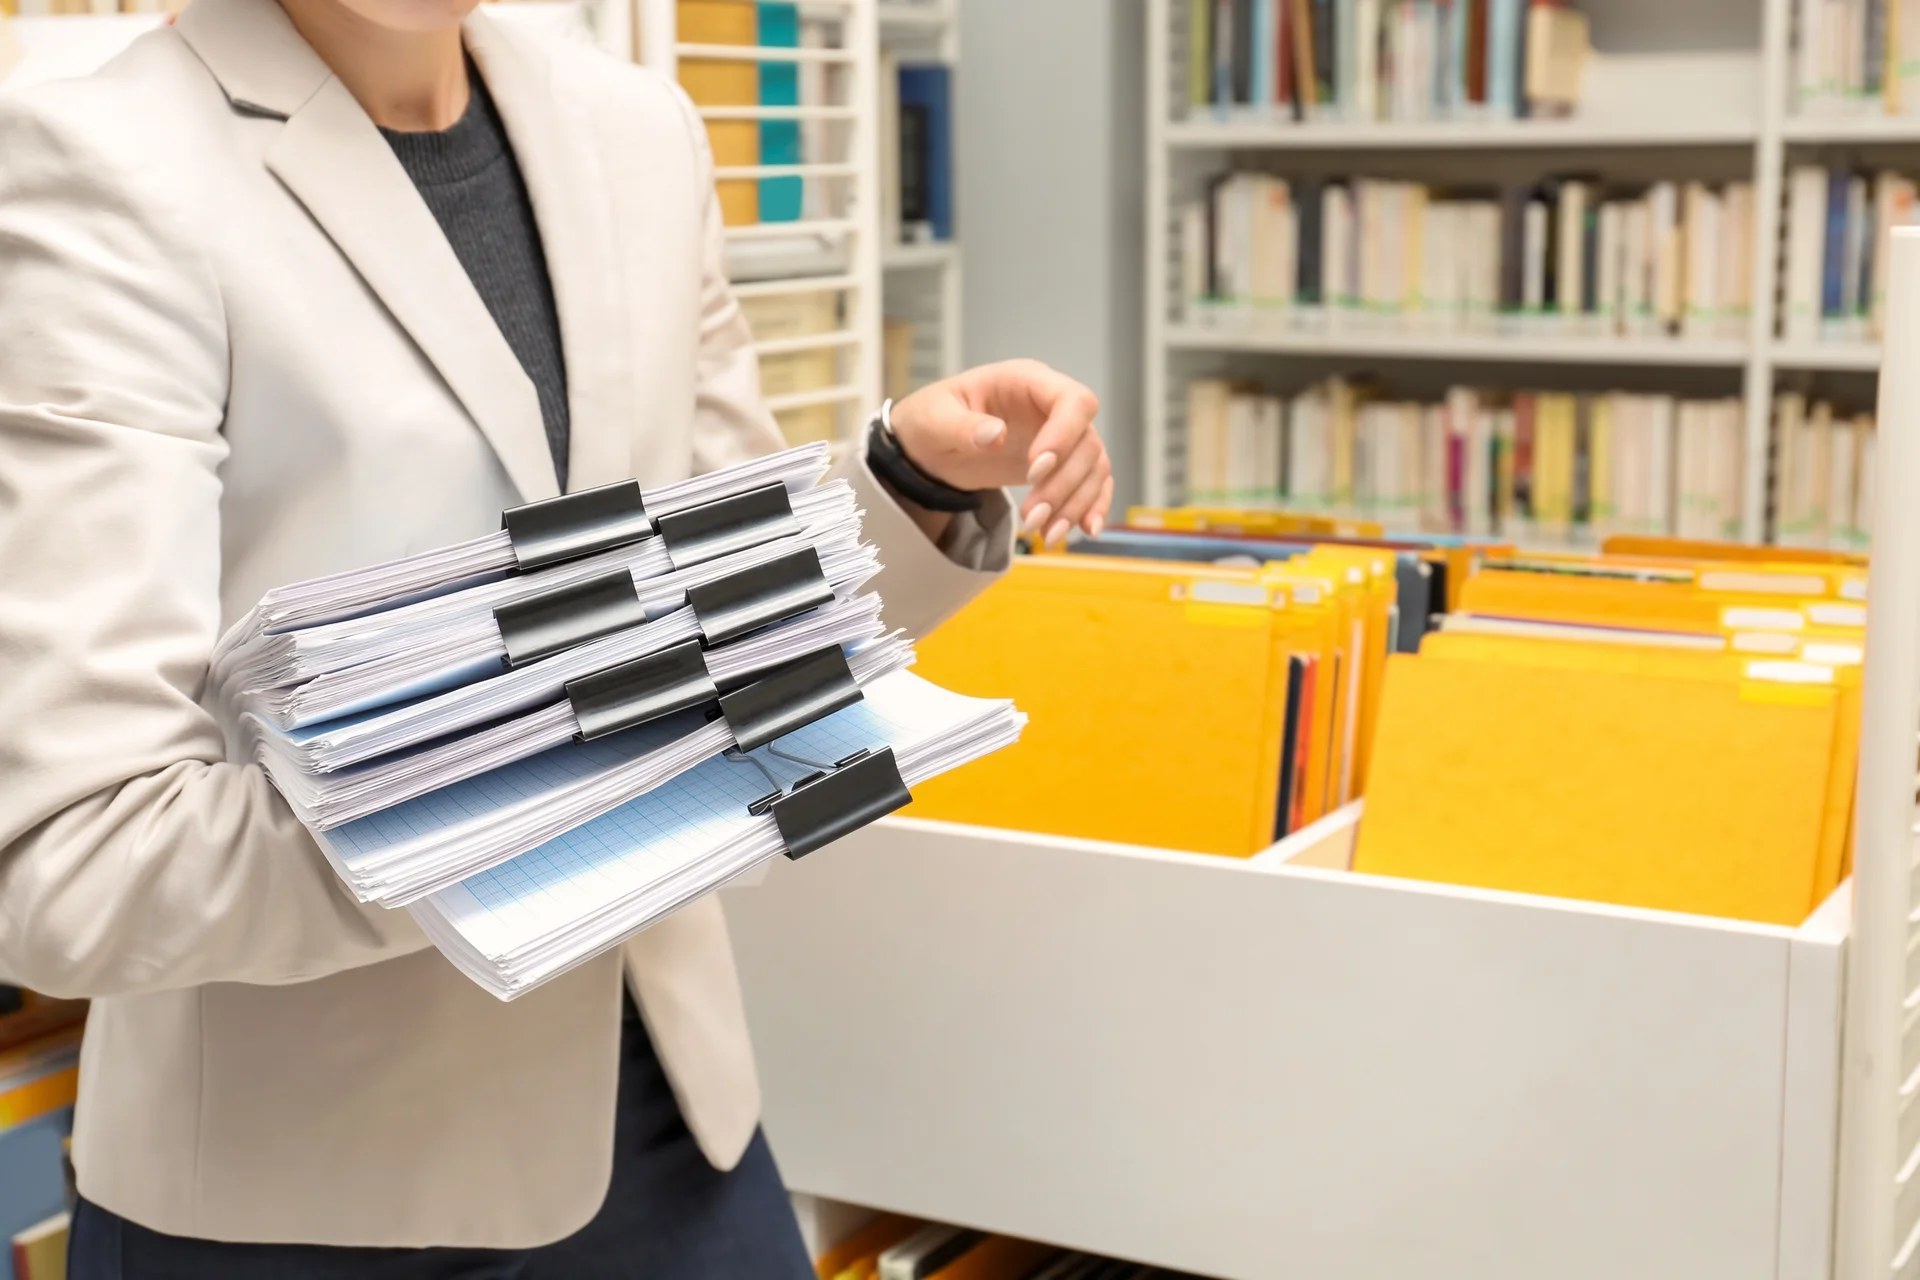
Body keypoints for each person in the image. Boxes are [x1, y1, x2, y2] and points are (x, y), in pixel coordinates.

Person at [0, 0, 1112, 1271]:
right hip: (311, 1190)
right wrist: (568, 803)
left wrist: (906, 485)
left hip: (674, 1108)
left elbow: (728, 597)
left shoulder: (631, 129)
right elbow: (72, 861)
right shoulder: (99, 156)